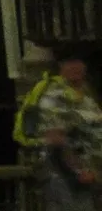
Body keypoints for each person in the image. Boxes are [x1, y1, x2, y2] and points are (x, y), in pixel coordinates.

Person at [36, 47, 102, 210]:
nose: (75, 67)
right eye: (69, 63)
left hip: (90, 180)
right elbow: (56, 140)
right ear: (61, 67)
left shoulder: (87, 100)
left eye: (78, 62)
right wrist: (78, 172)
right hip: (67, 180)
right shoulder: (54, 97)